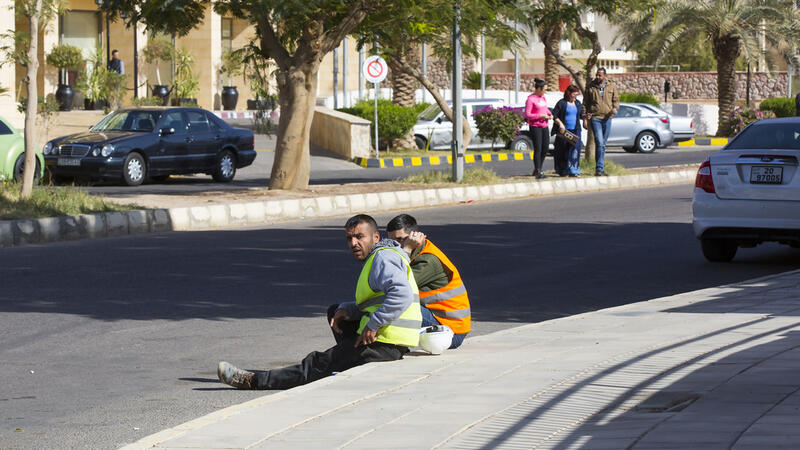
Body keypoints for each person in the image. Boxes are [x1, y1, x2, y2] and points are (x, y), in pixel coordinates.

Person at [217, 214, 422, 390]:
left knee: (317, 364)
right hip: (391, 339)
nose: (353, 243)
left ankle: (253, 380)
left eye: (360, 237)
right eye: (349, 238)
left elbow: (401, 294)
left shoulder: (382, 258)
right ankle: (348, 359)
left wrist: (374, 324)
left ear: (376, 237)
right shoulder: (383, 256)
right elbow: (376, 300)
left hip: (385, 341)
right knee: (336, 311)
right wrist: (349, 310)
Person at [386, 214, 470, 349]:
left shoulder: (427, 260)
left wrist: (406, 250)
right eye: (392, 241)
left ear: (414, 236)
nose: (397, 245)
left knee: (394, 303)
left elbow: (395, 285)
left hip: (450, 331)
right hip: (440, 320)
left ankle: (389, 347)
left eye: (401, 239)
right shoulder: (417, 252)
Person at [583, 67, 619, 177]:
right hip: (595, 118)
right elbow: (585, 103)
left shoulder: (611, 86)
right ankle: (599, 168)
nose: (598, 77)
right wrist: (585, 117)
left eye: (600, 75)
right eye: (597, 75)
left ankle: (600, 168)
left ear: (605, 76)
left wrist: (615, 108)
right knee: (599, 142)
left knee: (602, 144)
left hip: (607, 118)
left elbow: (616, 100)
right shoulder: (590, 87)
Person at [551, 85, 584, 177]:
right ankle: (563, 170)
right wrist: (560, 124)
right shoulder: (562, 103)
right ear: (569, 93)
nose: (575, 96)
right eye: (574, 94)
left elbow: (581, 114)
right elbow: (554, 115)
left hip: (576, 130)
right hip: (564, 131)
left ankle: (574, 170)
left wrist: (586, 116)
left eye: (577, 94)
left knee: (575, 149)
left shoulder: (578, 103)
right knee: (563, 150)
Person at [525, 78, 552, 179]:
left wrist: (549, 114)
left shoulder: (543, 98)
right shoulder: (530, 99)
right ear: (539, 89)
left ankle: (538, 168)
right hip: (535, 127)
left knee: (545, 148)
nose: (545, 92)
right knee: (538, 148)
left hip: (544, 126)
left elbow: (545, 109)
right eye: (544, 89)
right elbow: (528, 114)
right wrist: (540, 116)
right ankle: (538, 171)